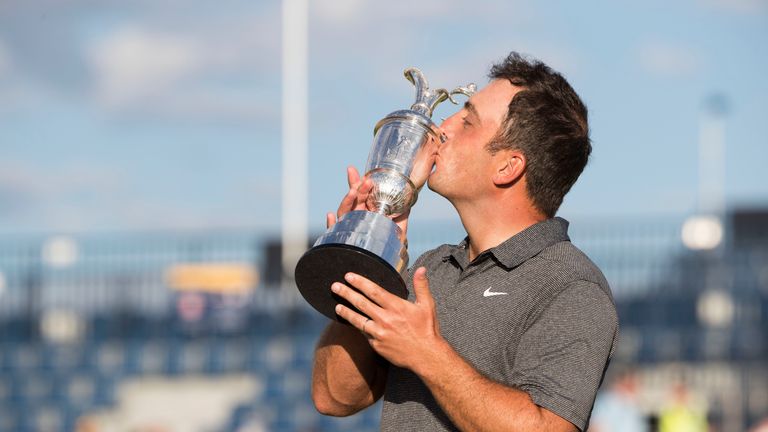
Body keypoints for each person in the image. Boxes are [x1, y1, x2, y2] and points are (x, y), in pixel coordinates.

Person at [311, 52, 619, 432]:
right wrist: (368, 253)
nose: (442, 128)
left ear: (508, 166)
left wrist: (427, 354)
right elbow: (333, 396)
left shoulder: (571, 286)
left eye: (467, 121)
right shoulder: (431, 268)